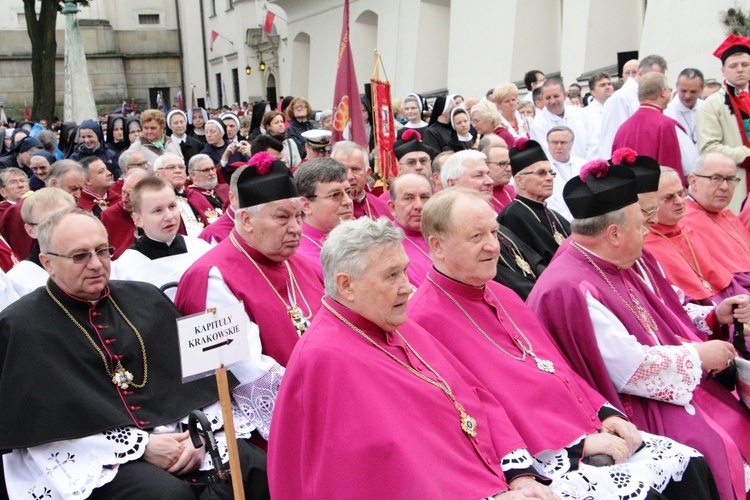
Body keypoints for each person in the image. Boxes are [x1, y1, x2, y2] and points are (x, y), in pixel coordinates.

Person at [409, 187, 718, 500]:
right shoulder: (424, 320)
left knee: (690, 465)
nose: (493, 246)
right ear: (437, 245)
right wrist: (577, 446)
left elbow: (557, 367)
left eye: (493, 232)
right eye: (477, 237)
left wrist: (606, 415)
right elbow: (475, 412)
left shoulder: (503, 294)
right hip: (535, 458)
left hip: (582, 430)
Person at [268, 216, 559, 499]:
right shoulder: (324, 359)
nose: (407, 286)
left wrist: (518, 475)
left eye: (405, 271)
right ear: (346, 285)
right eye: (391, 275)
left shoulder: (397, 322)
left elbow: (473, 396)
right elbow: (384, 474)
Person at [0, 208, 269, 499]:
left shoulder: (146, 298)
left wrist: (199, 436)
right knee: (165, 495)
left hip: (179, 432)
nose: (95, 264)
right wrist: (141, 447)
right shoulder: (20, 327)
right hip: (95, 453)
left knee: (255, 467)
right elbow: (42, 429)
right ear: (47, 262)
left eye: (102, 251)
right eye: (80, 256)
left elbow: (200, 383)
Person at [527, 161, 750, 500]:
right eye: (641, 224)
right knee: (718, 441)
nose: (648, 232)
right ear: (614, 234)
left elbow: (665, 312)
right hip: (632, 405)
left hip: (674, 380)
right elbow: (630, 370)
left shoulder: (615, 260)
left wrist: (711, 319)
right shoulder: (569, 287)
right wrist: (698, 355)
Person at [176, 154, 324, 441]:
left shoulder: (302, 265)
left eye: (299, 216)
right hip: (262, 431)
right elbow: (245, 373)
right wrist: (325, 395)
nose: (296, 228)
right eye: (282, 217)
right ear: (247, 219)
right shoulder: (211, 277)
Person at [646, 166, 749, 308]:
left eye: (681, 193)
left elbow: (723, 281)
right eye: (669, 197)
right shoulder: (646, 246)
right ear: (649, 203)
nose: (680, 201)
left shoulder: (687, 232)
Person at [111, 176, 212, 295]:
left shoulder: (202, 249)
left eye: (172, 206)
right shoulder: (124, 269)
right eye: (158, 210)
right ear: (138, 219)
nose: (169, 216)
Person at [697, 34, 750, 210]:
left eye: (745, 64)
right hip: (738, 181)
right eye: (733, 66)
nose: (740, 70)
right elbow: (708, 148)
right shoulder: (711, 105)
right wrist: (744, 154)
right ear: (723, 71)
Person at [499, 138, 571, 265]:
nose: (550, 178)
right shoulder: (512, 216)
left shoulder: (552, 214)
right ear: (520, 181)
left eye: (551, 173)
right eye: (541, 173)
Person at [612, 72, 696, 180]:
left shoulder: (623, 128)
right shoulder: (667, 126)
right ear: (662, 92)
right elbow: (691, 167)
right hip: (659, 192)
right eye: (668, 89)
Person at [6, 187, 76, 297]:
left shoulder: (97, 261)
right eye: (48, 223)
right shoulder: (16, 281)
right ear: (30, 230)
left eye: (68, 218)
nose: (62, 227)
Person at [294, 157, 354, 278]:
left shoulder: (353, 236)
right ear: (306, 205)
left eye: (348, 192)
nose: (348, 201)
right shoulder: (301, 259)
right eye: (335, 195)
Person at [599, 55, 668, 159]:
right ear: (640, 73)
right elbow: (610, 140)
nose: (658, 83)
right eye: (655, 77)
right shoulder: (620, 98)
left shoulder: (649, 96)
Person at [530, 78, 597, 160]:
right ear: (542, 98)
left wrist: (587, 166)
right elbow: (547, 154)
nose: (552, 101)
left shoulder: (581, 114)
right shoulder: (538, 124)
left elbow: (593, 143)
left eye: (556, 96)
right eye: (548, 98)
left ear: (565, 95)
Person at [388, 173, 433, 287]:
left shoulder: (448, 235)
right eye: (408, 198)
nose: (419, 205)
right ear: (392, 207)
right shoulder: (386, 245)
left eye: (424, 197)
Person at [331, 141, 392, 220]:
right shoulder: (326, 212)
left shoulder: (384, 209)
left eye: (355, 169)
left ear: (368, 174)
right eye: (343, 170)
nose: (349, 177)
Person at [154, 153, 208, 237]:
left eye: (181, 167)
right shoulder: (154, 200)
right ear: (157, 174)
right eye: (171, 167)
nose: (178, 171)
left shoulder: (197, 195)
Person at [101, 168, 150, 259]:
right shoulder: (110, 215)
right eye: (123, 192)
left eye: (130, 194)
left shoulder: (159, 211)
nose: (124, 199)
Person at [546, 125, 585, 220]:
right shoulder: (541, 169)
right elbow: (549, 202)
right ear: (548, 143)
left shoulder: (583, 164)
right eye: (554, 142)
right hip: (558, 219)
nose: (559, 146)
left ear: (572, 143)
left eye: (563, 142)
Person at [665, 68, 704, 145]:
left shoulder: (707, 108)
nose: (687, 96)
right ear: (676, 86)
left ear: (701, 89)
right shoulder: (666, 112)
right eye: (683, 91)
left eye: (693, 91)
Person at [186, 153, 229, 224]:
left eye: (212, 168)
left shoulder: (224, 189)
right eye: (206, 170)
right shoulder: (190, 196)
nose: (212, 173)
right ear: (193, 174)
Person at [479, 139, 516, 213]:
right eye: (502, 164)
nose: (509, 169)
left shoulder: (514, 190)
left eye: (510, 164)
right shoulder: (480, 197)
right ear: (485, 165)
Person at [582, 72, 614, 145]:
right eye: (602, 85)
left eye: (609, 84)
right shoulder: (585, 113)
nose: (607, 87)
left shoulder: (617, 109)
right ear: (593, 92)